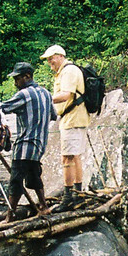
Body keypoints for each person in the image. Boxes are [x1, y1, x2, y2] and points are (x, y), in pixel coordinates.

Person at [0, 61, 55, 221]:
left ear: (27, 77)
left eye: (17, 79)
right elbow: (53, 115)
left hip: (24, 145)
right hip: (39, 145)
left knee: (16, 180)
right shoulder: (46, 93)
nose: (16, 83)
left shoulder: (24, 95)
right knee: (34, 175)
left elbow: (3, 107)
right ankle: (43, 206)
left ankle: (10, 215)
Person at [41, 44, 89, 206]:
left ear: (60, 56)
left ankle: (68, 196)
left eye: (51, 58)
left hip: (72, 119)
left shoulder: (68, 71)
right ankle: (77, 194)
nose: (49, 62)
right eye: (48, 59)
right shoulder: (67, 70)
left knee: (67, 158)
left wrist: (44, 97)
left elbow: (65, 95)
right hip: (74, 118)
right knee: (74, 156)